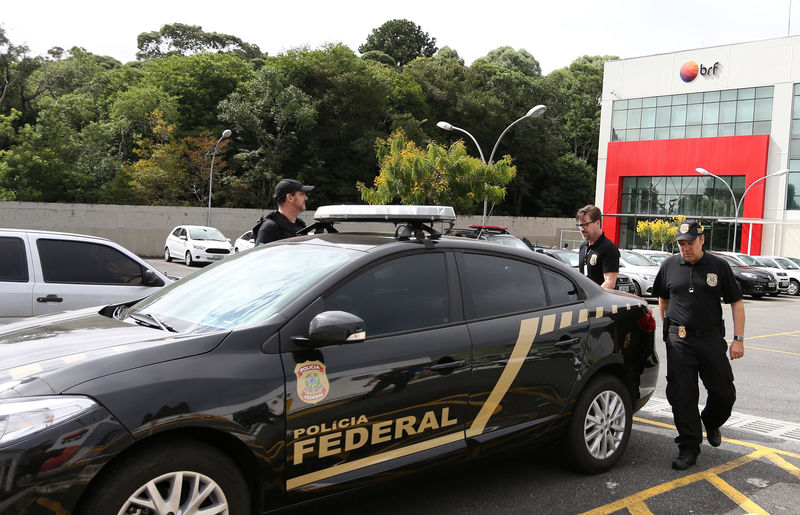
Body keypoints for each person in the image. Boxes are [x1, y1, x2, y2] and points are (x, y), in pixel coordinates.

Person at [652, 219, 745, 471]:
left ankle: (711, 421)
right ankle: (688, 447)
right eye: (681, 243)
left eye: (690, 242)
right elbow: (663, 298)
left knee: (723, 393)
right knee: (682, 395)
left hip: (711, 339)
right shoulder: (669, 265)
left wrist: (738, 339)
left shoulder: (719, 266)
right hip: (680, 340)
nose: (685, 248)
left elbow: (736, 302)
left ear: (702, 240)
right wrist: (668, 330)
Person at [254, 179, 314, 245]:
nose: (306, 198)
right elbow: (260, 254)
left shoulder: (300, 225)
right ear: (290, 198)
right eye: (302, 194)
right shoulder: (269, 228)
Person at [576, 204, 619, 289]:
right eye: (580, 225)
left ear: (598, 223)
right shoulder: (583, 247)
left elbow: (610, 282)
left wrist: (593, 298)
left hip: (600, 301)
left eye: (585, 224)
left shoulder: (609, 248)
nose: (582, 229)